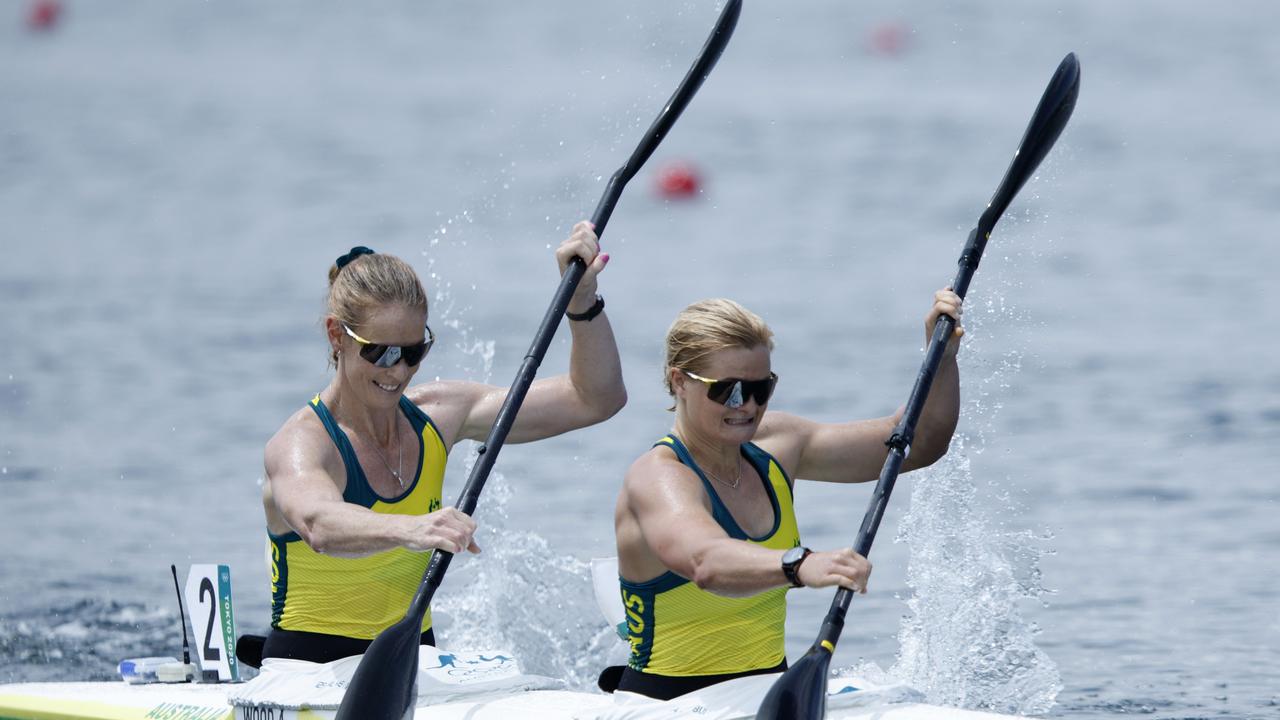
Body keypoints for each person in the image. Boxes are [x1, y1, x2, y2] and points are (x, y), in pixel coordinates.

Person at [255, 221, 624, 664]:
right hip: (306, 669)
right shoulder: (302, 442)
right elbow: (319, 525)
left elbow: (595, 399)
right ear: (337, 336)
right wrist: (412, 528)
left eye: (414, 352)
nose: (398, 371)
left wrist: (582, 303)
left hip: (414, 665)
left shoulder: (439, 416)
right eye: (382, 353)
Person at [604, 289, 963, 699]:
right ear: (679, 382)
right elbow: (706, 562)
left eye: (761, 388)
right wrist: (799, 564)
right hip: (666, 702)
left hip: (767, 692)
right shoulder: (659, 476)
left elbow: (918, 444)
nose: (748, 406)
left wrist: (942, 359)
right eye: (729, 390)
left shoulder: (777, 445)